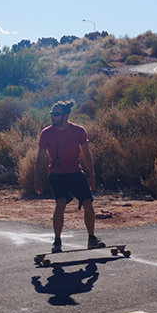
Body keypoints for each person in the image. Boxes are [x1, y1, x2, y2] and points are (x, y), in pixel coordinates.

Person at [34, 99, 105, 253]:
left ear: (65, 116)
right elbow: (40, 158)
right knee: (60, 202)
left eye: (56, 114)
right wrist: (37, 179)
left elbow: (86, 154)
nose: (52, 117)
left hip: (75, 172)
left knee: (87, 202)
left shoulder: (78, 131)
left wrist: (92, 176)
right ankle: (57, 241)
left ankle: (92, 239)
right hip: (56, 173)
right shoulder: (46, 133)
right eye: (51, 114)